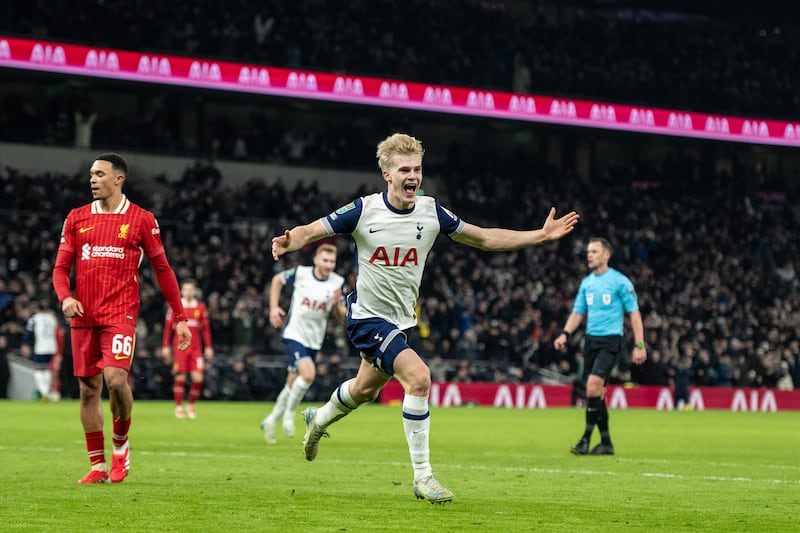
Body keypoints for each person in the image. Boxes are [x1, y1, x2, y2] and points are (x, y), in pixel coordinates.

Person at [271, 133, 580, 503]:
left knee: (364, 390)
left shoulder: (432, 212)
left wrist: (539, 236)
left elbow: (483, 238)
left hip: (400, 322)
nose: (412, 176)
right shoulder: (364, 210)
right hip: (367, 317)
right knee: (418, 378)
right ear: (386, 174)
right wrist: (291, 240)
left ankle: (317, 420)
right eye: (404, 169)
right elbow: (313, 229)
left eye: (417, 169)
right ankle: (423, 477)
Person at [52, 153, 191, 484]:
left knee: (115, 380)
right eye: (90, 174)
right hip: (83, 314)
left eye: (99, 174)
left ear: (118, 179)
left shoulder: (142, 219)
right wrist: (65, 297)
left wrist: (180, 316)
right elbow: (60, 268)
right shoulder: (76, 218)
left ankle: (120, 444)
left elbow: (163, 269)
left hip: (120, 312)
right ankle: (98, 465)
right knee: (88, 390)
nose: (92, 179)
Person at [554, 237, 646, 456]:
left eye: (594, 251)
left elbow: (634, 313)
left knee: (593, 386)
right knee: (597, 393)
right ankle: (606, 443)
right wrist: (565, 333)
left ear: (607, 255)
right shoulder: (587, 283)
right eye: (588, 251)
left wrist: (640, 344)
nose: (589, 255)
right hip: (591, 341)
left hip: (611, 340)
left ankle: (585, 440)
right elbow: (578, 312)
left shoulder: (620, 281)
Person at [260, 243, 346, 444]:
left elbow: (340, 316)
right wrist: (273, 308)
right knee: (308, 375)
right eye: (325, 260)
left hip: (314, 339)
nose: (329, 265)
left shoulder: (338, 282)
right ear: (315, 260)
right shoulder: (300, 273)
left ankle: (270, 420)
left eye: (332, 261)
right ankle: (289, 415)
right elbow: (276, 280)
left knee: (292, 382)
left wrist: (337, 306)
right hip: (293, 333)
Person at [163, 279, 214, 419]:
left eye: (191, 289)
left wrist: (208, 347)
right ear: (182, 291)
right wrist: (165, 346)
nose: (188, 292)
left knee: (198, 378)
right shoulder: (175, 306)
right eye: (185, 289)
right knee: (180, 376)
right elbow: (168, 328)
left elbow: (205, 329)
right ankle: (179, 407)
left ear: (194, 291)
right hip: (180, 346)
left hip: (196, 347)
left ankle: (191, 405)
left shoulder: (200, 307)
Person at [20, 301, 61, 401]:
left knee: (38, 369)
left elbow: (28, 332)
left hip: (41, 347)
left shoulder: (34, 319)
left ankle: (44, 393)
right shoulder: (52, 318)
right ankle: (48, 392)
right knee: (47, 369)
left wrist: (25, 344)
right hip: (52, 346)